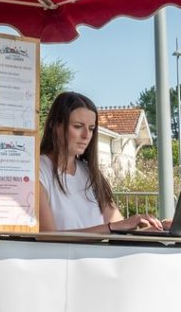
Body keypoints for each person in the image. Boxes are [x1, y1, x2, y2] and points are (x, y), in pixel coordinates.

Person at [36, 91, 163, 234]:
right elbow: (47, 235)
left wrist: (159, 227)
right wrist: (111, 228)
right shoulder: (37, 171)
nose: (86, 135)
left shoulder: (90, 173)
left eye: (91, 129)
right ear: (54, 125)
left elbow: (119, 224)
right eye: (77, 126)